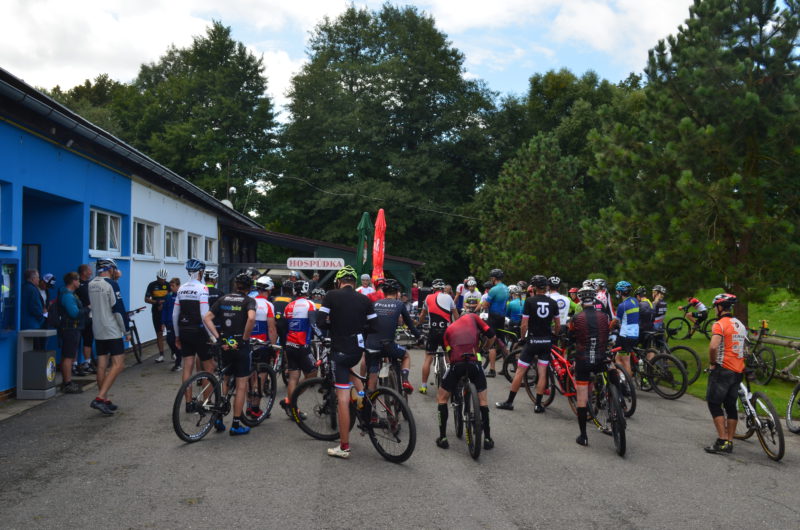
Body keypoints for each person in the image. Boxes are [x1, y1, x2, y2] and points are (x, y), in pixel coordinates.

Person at [316, 265, 379, 459]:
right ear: (354, 282)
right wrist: (359, 328)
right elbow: (375, 326)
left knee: (342, 398)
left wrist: (334, 324)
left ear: (339, 282)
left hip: (340, 349)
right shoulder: (364, 299)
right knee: (350, 370)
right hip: (357, 349)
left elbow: (320, 322)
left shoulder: (331, 295)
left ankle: (344, 447)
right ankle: (363, 401)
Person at [496, 275, 560, 413]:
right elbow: (557, 324)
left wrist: (522, 338)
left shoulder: (530, 301)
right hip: (546, 341)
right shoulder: (553, 302)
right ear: (546, 287)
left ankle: (509, 402)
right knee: (542, 373)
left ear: (534, 287)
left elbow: (524, 324)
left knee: (520, 371)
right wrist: (554, 336)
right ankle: (538, 404)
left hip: (532, 340)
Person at [203, 273, 257, 436]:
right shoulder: (249, 301)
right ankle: (235, 425)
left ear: (235, 285)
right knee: (241, 385)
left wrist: (218, 338)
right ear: (249, 288)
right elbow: (251, 318)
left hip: (225, 345)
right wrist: (245, 338)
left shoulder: (223, 299)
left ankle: (218, 419)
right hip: (240, 346)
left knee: (225, 380)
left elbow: (206, 318)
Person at [435, 311, 496, 450]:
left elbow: (448, 355)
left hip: (457, 365)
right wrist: (484, 349)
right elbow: (492, 336)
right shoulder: (474, 317)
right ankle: (487, 438)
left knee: (442, 398)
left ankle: (442, 438)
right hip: (474, 363)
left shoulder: (449, 329)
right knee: (483, 400)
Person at [704, 293, 746, 454]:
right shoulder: (740, 324)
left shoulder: (719, 324)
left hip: (723, 369)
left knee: (714, 403)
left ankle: (722, 441)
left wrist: (712, 363)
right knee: (730, 405)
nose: (715, 309)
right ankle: (729, 441)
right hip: (738, 370)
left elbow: (713, 346)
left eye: (716, 306)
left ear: (720, 307)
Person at [88, 259, 130, 415]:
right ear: (110, 269)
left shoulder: (91, 284)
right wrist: (126, 331)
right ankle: (99, 398)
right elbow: (118, 309)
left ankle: (104, 400)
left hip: (98, 328)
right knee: (119, 364)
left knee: (102, 365)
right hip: (111, 329)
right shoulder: (111, 284)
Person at [571, 286, 612, 446]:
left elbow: (570, 336)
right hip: (601, 359)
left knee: (581, 398)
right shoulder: (604, 316)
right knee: (612, 371)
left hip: (583, 360)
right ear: (594, 300)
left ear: (581, 300)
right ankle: (618, 400)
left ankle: (583, 436)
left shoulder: (576, 318)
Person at [365, 279, 420, 393]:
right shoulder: (399, 304)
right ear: (397, 293)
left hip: (371, 345)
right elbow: (410, 325)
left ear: (383, 292)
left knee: (373, 370)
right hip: (388, 344)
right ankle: (405, 381)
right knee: (406, 356)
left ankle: (370, 398)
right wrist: (419, 337)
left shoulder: (374, 304)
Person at [173, 259, 214, 396]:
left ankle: (188, 402)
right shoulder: (203, 288)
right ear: (201, 272)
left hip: (184, 330)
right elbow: (204, 314)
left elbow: (175, 315)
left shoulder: (181, 288)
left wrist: (177, 336)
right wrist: (211, 336)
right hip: (199, 332)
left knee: (187, 367)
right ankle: (207, 402)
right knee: (208, 367)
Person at [280, 280, 320, 416]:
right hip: (303, 346)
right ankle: (291, 400)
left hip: (290, 345)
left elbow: (284, 328)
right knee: (313, 373)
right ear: (306, 290)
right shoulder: (310, 304)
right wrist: (322, 337)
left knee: (293, 378)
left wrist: (285, 346)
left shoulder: (288, 306)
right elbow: (314, 325)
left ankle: (291, 407)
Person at [417, 278, 459, 394]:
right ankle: (453, 383)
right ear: (443, 288)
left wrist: (419, 323)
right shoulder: (449, 297)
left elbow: (422, 315)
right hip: (447, 331)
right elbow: (456, 315)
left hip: (433, 331)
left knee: (428, 358)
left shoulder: (428, 298)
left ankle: (423, 386)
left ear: (433, 288)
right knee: (449, 356)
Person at [58, 272, 89, 394]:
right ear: (73, 281)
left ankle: (67, 381)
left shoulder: (70, 294)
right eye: (78, 280)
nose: (79, 282)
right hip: (70, 329)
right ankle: (67, 383)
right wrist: (87, 308)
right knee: (68, 356)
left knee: (68, 355)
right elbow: (74, 313)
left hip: (72, 328)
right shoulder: (68, 296)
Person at [481, 268, 508, 377]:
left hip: (493, 317)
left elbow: (485, 305)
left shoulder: (493, 290)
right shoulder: (506, 288)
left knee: (492, 342)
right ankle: (506, 367)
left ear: (494, 278)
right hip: (502, 317)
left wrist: (484, 304)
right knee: (502, 343)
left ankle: (492, 370)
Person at [611, 280, 638, 377]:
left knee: (621, 359)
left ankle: (626, 381)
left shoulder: (622, 306)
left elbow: (615, 321)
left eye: (617, 291)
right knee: (622, 358)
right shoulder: (634, 301)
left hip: (625, 335)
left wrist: (609, 329)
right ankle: (626, 380)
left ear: (620, 292)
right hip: (635, 333)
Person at [74, 264, 96, 376]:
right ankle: (74, 364)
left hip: (90, 317)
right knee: (76, 342)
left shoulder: (90, 284)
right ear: (84, 272)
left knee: (88, 340)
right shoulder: (77, 286)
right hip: (79, 317)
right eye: (89, 271)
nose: (91, 272)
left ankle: (87, 363)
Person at [144, 268, 170, 363]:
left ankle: (174, 353)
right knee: (159, 333)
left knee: (171, 333)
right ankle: (161, 355)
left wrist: (164, 303)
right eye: (160, 279)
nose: (162, 281)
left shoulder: (168, 285)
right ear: (157, 277)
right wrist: (157, 302)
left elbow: (172, 298)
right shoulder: (152, 285)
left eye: (164, 279)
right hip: (157, 312)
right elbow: (146, 299)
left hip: (167, 312)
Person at [162, 278, 182, 372]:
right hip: (169, 323)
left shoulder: (181, 296)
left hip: (178, 323)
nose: (171, 287)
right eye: (170, 286)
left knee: (177, 342)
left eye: (173, 286)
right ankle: (176, 353)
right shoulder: (168, 296)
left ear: (178, 286)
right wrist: (163, 322)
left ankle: (178, 363)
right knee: (169, 341)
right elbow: (164, 309)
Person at [21, 270, 45, 341]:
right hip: (32, 325)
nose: (39, 279)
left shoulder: (22, 287)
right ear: (32, 279)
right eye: (38, 277)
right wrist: (41, 318)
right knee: (35, 346)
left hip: (23, 324)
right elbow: (35, 307)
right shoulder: (33, 290)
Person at [271, 281, 293, 347]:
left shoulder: (275, 298)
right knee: (284, 343)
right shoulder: (293, 299)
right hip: (284, 322)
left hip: (274, 320)